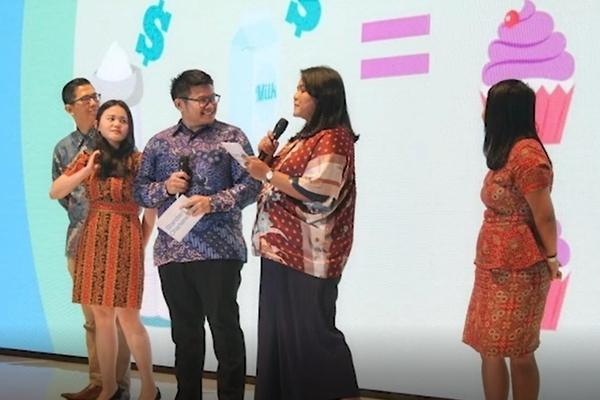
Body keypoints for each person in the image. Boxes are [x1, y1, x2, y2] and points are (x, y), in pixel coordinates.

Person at [133, 69, 261, 400]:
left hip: (218, 249)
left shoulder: (231, 138)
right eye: (202, 99)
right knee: (185, 333)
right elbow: (140, 191)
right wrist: (165, 187)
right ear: (180, 103)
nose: (210, 105)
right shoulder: (159, 143)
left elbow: (252, 184)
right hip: (172, 251)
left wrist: (213, 202)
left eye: (212, 98)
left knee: (224, 329)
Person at [243, 66, 361, 400]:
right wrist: (267, 157)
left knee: (312, 335)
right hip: (279, 249)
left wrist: (267, 172)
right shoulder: (301, 137)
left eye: (302, 89)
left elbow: (319, 190)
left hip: (310, 254)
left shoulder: (334, 136)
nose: (295, 95)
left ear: (322, 97)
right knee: (279, 335)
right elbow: (273, 180)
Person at [50, 100, 160, 400]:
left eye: (123, 120)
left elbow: (151, 211)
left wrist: (141, 242)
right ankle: (108, 387)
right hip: (94, 234)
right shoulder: (89, 158)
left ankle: (149, 387)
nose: (117, 124)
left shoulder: (138, 160)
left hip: (127, 235)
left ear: (129, 126)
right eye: (110, 118)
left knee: (128, 317)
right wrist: (84, 172)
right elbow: (55, 191)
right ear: (97, 124)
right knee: (101, 315)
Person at [462, 79, 562, 400]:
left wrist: (550, 257)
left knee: (519, 352)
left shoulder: (528, 155)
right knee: (488, 348)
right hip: (492, 266)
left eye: (488, 105)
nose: (482, 112)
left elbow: (544, 215)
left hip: (521, 268)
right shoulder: (505, 151)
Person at [52, 78, 132, 400]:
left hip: (115, 239)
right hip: (80, 240)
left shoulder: (116, 140)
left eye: (94, 96)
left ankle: (119, 388)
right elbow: (62, 194)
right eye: (84, 99)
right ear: (69, 108)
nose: (93, 102)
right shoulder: (65, 148)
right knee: (93, 320)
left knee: (117, 318)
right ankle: (99, 383)